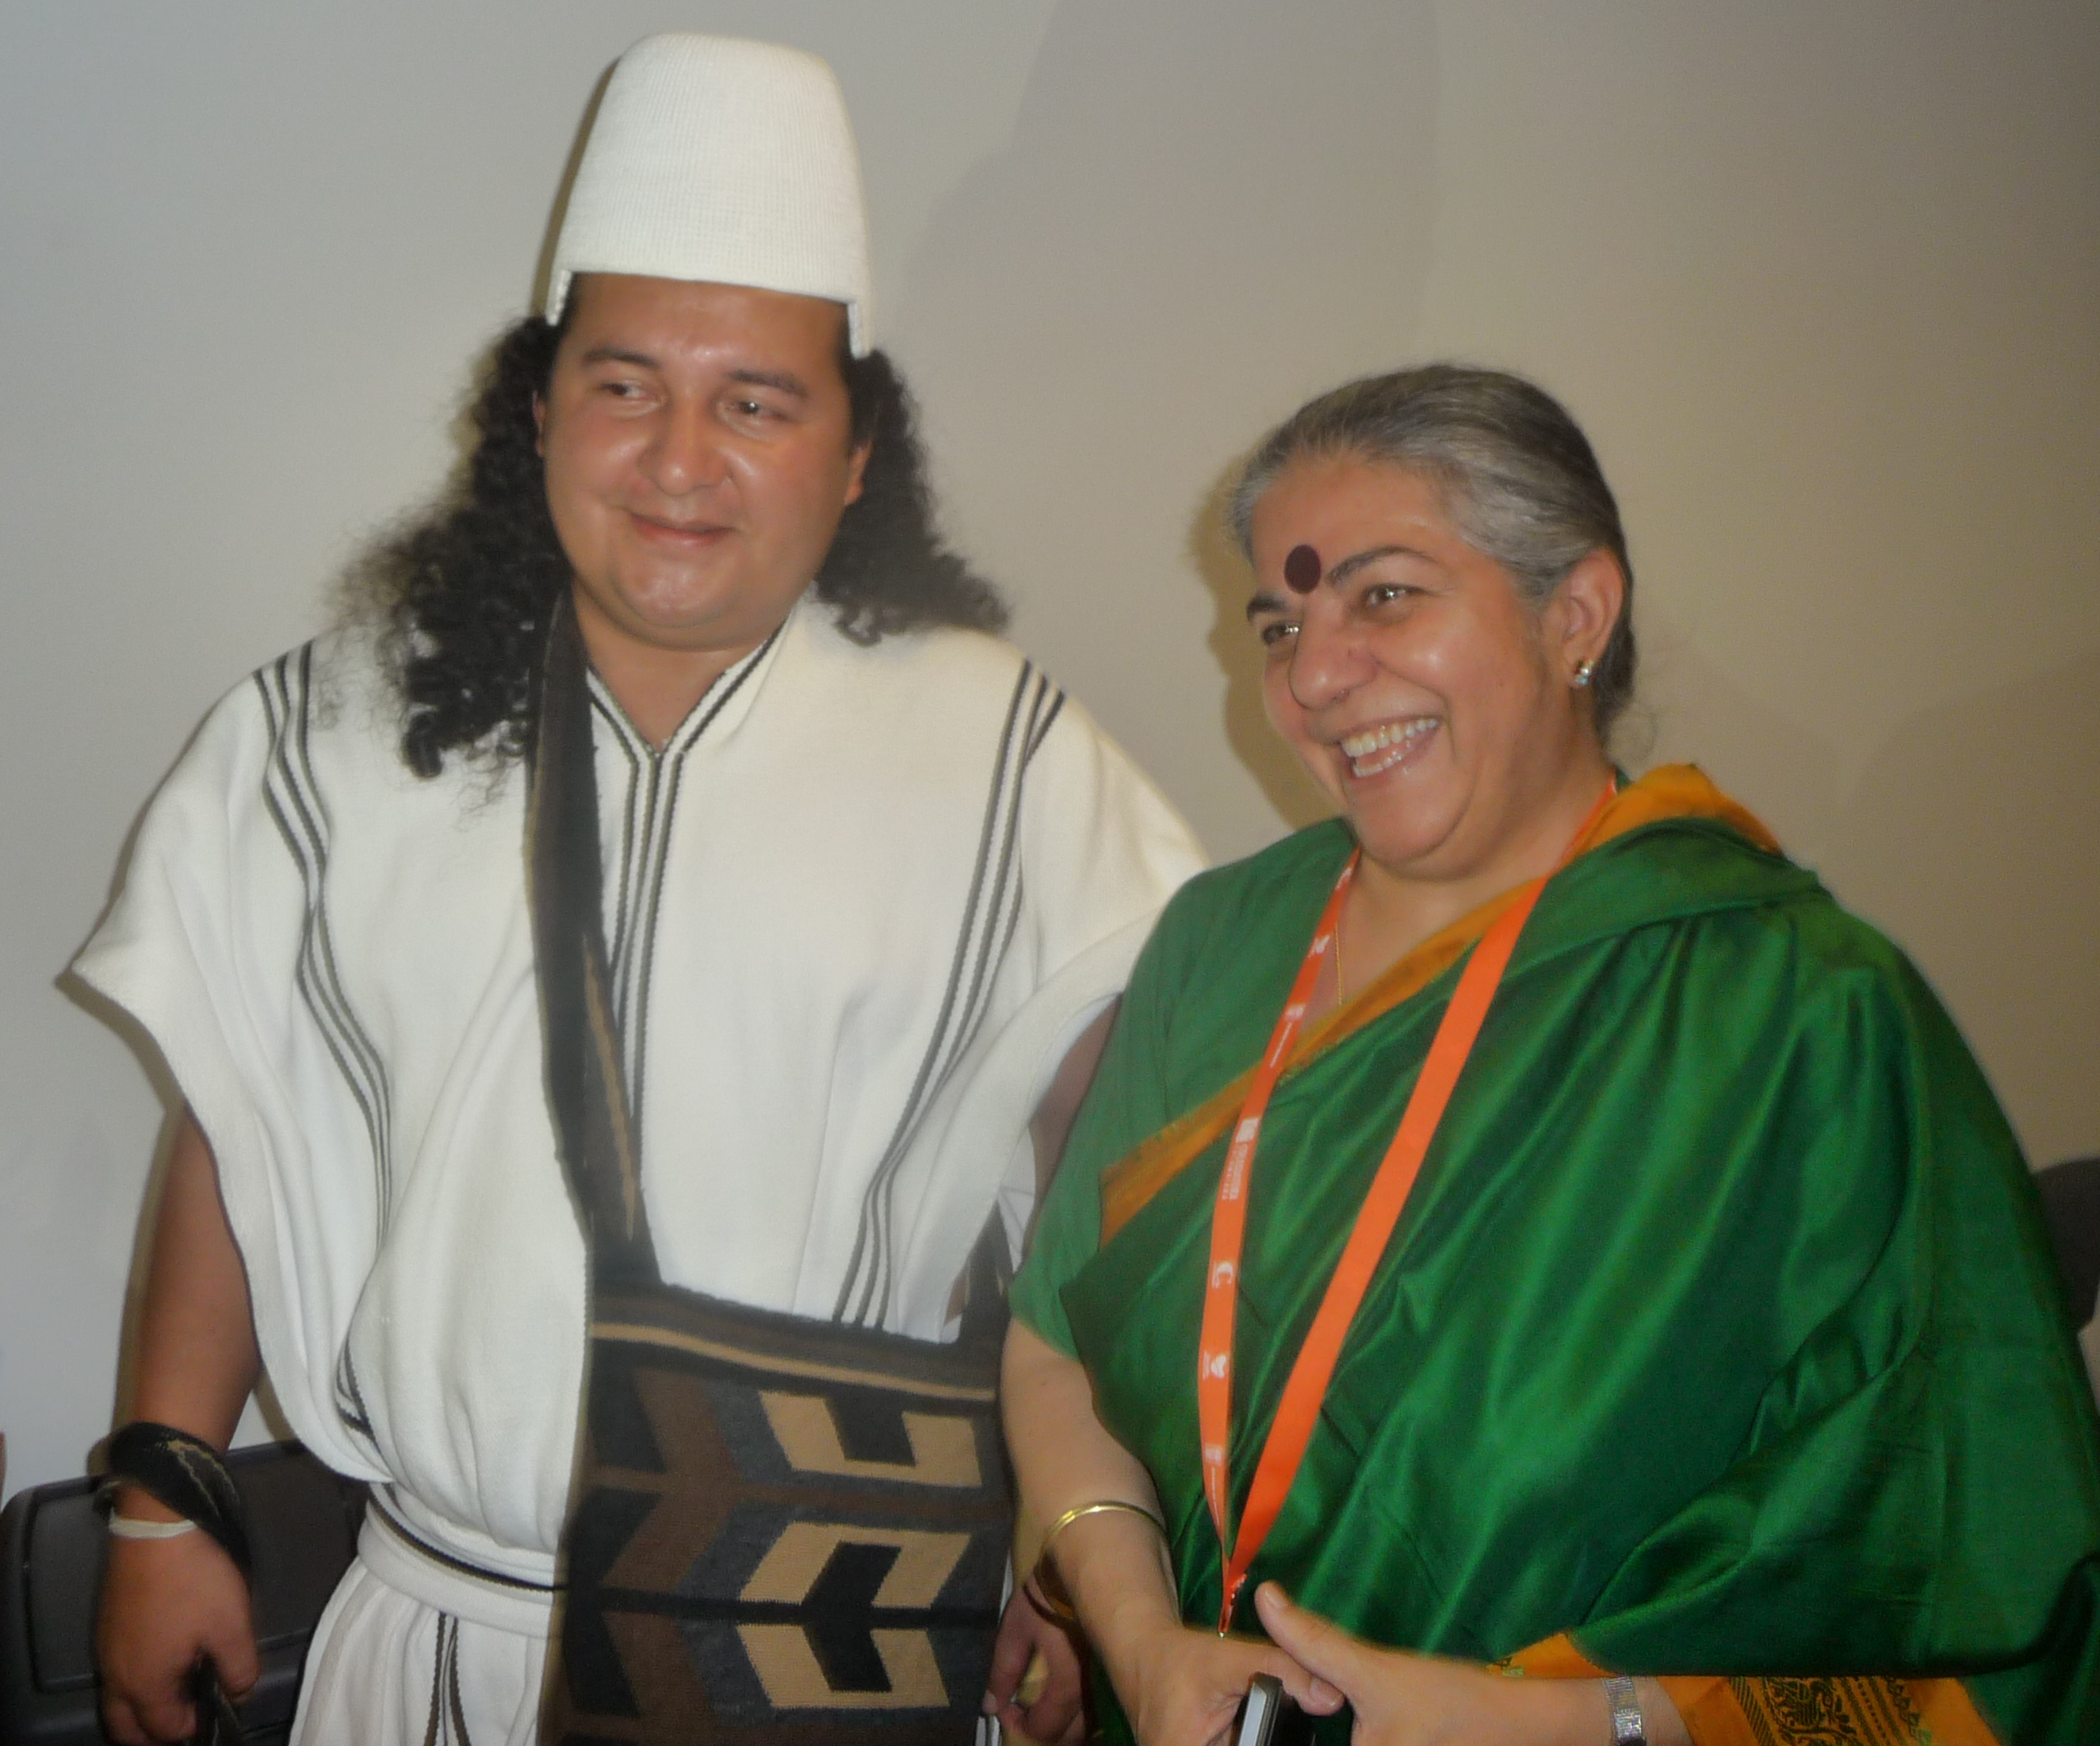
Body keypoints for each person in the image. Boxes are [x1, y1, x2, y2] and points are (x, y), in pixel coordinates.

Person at [76, 34, 1203, 1746]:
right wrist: (162, 1502)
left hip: (838, 1642)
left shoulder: (1008, 760)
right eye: (624, 385)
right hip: (436, 1630)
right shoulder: (335, 730)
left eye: (757, 401)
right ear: (537, 410)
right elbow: (247, 1111)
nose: (681, 458)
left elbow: (1100, 1196)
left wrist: (1057, 1553)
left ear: (851, 454)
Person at [1002, 364, 2100, 1746]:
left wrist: (1566, 1725)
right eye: (1280, 623)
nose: (1318, 677)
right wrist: (1141, 1632)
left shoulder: (1808, 1019)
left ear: (1575, 613)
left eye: (1384, 596)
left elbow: (1978, 1592)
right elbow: (1055, 1344)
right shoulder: (1218, 945)